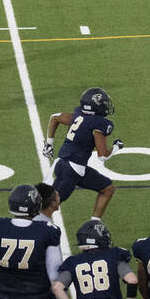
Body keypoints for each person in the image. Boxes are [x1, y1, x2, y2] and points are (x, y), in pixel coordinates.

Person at [42, 87, 123, 218]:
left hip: (63, 163)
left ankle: (95, 223)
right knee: (48, 207)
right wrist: (116, 147)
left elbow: (54, 118)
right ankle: (32, 231)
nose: (105, 106)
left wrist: (49, 144)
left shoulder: (78, 115)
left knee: (107, 188)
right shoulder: (99, 123)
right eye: (103, 103)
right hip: (72, 169)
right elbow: (102, 155)